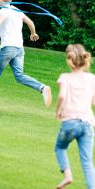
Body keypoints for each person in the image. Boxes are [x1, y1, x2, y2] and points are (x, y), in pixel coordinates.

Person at [54, 44, 95, 189]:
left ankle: (68, 175)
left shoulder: (65, 77)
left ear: (69, 60)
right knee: (87, 161)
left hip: (70, 122)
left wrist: (57, 110)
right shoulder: (91, 78)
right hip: (88, 124)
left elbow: (62, 96)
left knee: (60, 147)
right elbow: (93, 101)